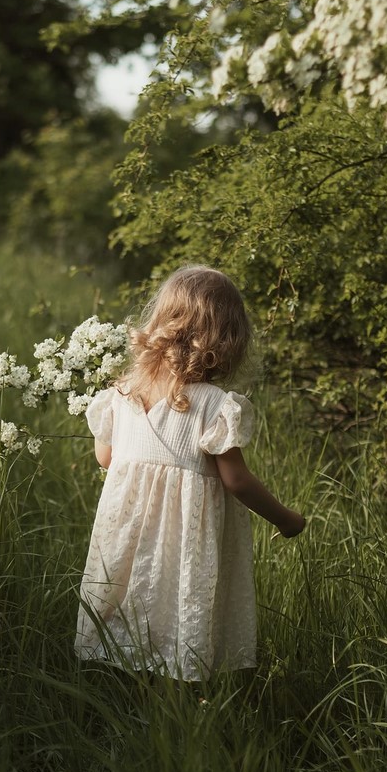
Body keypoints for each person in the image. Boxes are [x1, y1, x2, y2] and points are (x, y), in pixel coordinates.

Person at [75, 265, 305, 681]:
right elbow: (236, 481)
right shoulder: (215, 405)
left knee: (128, 612)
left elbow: (106, 459)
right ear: (228, 340)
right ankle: (182, 697)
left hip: (126, 539)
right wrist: (287, 520)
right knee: (179, 611)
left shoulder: (122, 393)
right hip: (186, 541)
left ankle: (122, 690)